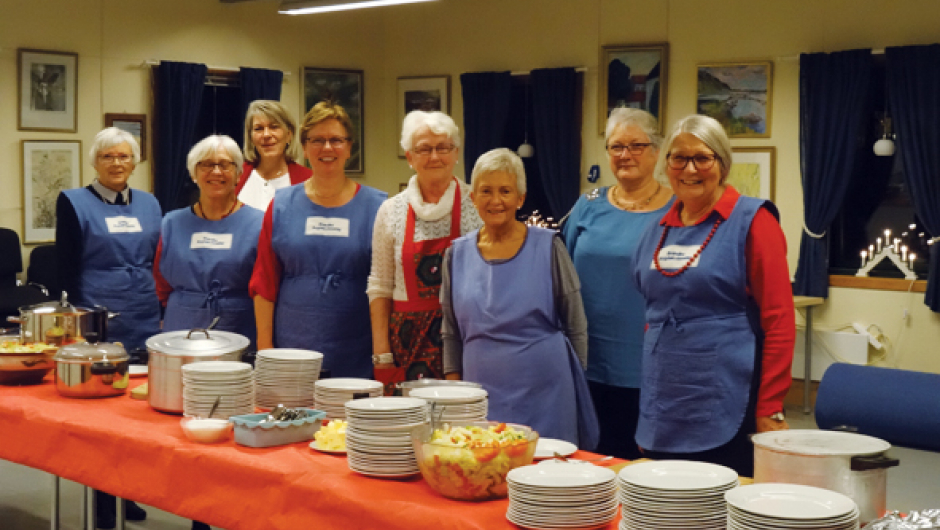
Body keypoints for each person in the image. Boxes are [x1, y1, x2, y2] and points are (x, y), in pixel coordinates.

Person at [632, 114, 795, 476]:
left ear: (721, 164)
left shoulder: (754, 221)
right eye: (678, 158)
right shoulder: (656, 230)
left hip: (726, 393)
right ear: (667, 165)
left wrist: (770, 406)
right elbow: (652, 310)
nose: (690, 169)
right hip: (666, 393)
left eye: (702, 158)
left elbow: (780, 320)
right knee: (664, 496)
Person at [441, 148, 598, 448]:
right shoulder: (455, 254)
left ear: (520, 198)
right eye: (486, 191)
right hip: (478, 396)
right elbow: (450, 332)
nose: (496, 200)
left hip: (547, 394)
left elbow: (576, 323)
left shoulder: (549, 246)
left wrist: (575, 383)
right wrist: (456, 394)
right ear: (473, 198)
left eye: (505, 191)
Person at [55, 127, 156, 528]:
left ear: (135, 162)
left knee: (139, 413)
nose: (117, 164)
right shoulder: (74, 202)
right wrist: (75, 322)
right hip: (97, 317)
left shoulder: (150, 203)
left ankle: (129, 491)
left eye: (125, 157)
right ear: (95, 162)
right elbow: (65, 265)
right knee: (103, 418)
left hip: (145, 312)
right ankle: (101, 498)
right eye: (108, 157)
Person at [560, 108, 674, 460]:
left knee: (641, 465)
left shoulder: (678, 209)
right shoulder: (587, 206)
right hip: (587, 361)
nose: (626, 155)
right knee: (590, 460)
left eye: (637, 145)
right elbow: (563, 276)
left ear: (656, 150)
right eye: (616, 147)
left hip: (650, 363)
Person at [250, 101, 386, 378]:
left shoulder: (379, 207)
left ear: (349, 147)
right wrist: (265, 350)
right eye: (317, 140)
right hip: (292, 345)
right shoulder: (281, 205)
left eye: (336, 140)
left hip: (357, 347)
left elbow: (387, 287)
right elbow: (264, 281)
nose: (327, 148)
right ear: (305, 147)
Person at [368, 111, 482, 394]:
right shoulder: (390, 211)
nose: (434, 156)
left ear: (456, 153)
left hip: (462, 341)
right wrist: (382, 356)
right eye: (424, 149)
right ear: (409, 157)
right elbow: (380, 287)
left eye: (443, 147)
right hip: (405, 344)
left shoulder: (477, 206)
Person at [154, 135, 263, 347]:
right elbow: (160, 282)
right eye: (206, 165)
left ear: (239, 173)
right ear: (193, 173)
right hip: (181, 327)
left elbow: (266, 284)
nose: (216, 171)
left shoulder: (259, 223)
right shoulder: (172, 223)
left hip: (238, 326)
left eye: (225, 164)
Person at [235, 100, 312, 211]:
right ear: (251, 138)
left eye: (274, 127)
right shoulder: (235, 176)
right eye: (258, 129)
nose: (266, 134)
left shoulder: (308, 180)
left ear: (289, 135)